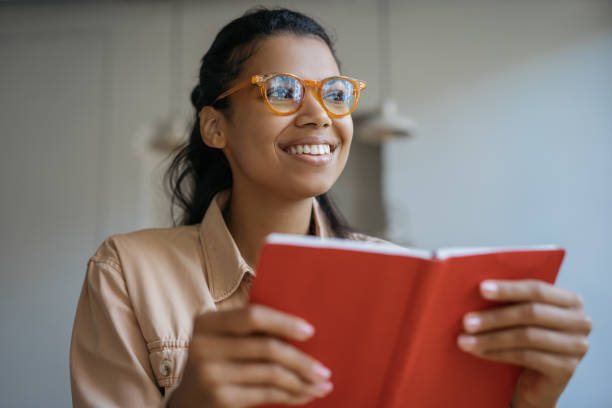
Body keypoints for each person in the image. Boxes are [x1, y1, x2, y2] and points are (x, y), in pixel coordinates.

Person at [69, 7, 592, 408]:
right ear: (215, 126)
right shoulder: (126, 272)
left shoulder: (396, 274)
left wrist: (525, 401)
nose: (320, 115)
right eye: (282, 90)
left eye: (335, 93)